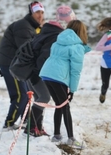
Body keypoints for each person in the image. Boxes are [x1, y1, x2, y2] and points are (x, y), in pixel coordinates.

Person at [24, 5, 77, 137]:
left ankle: (37, 128)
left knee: (40, 98)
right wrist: (41, 74)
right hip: (38, 72)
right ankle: (30, 128)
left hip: (32, 70)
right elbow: (44, 56)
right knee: (44, 97)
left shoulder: (47, 31)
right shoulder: (55, 36)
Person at [39, 20, 91, 149]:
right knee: (65, 106)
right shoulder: (77, 47)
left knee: (59, 105)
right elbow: (75, 71)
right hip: (58, 77)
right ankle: (71, 138)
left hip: (47, 74)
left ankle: (57, 135)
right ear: (81, 32)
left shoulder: (58, 41)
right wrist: (72, 90)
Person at [0, 1, 45, 131]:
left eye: (41, 12)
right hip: (12, 65)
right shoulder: (23, 26)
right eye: (37, 12)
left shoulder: (31, 26)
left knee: (25, 93)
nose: (40, 15)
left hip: (16, 64)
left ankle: (26, 120)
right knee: (20, 95)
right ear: (31, 13)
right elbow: (26, 49)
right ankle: (9, 123)